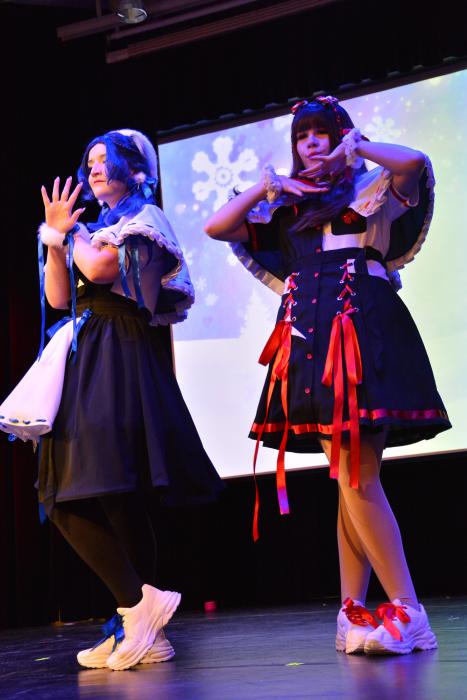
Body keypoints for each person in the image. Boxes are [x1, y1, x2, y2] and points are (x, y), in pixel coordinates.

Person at [204, 97, 450, 655]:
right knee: (347, 477)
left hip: (362, 331)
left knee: (356, 475)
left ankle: (409, 610)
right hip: (308, 340)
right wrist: (271, 186)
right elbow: (217, 226)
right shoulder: (287, 207)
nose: (311, 142)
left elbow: (413, 162)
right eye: (302, 136)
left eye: (322, 132)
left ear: (341, 135)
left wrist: (356, 147)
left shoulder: (372, 188)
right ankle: (352, 611)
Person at [1, 129, 223, 670]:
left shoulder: (145, 218)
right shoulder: (94, 228)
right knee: (108, 497)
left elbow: (102, 270)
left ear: (136, 169)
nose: (95, 167)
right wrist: (56, 240)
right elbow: (58, 296)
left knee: (79, 490)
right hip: (91, 350)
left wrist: (68, 231)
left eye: (107, 159)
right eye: (91, 161)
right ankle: (140, 627)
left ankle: (136, 609)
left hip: (120, 350)